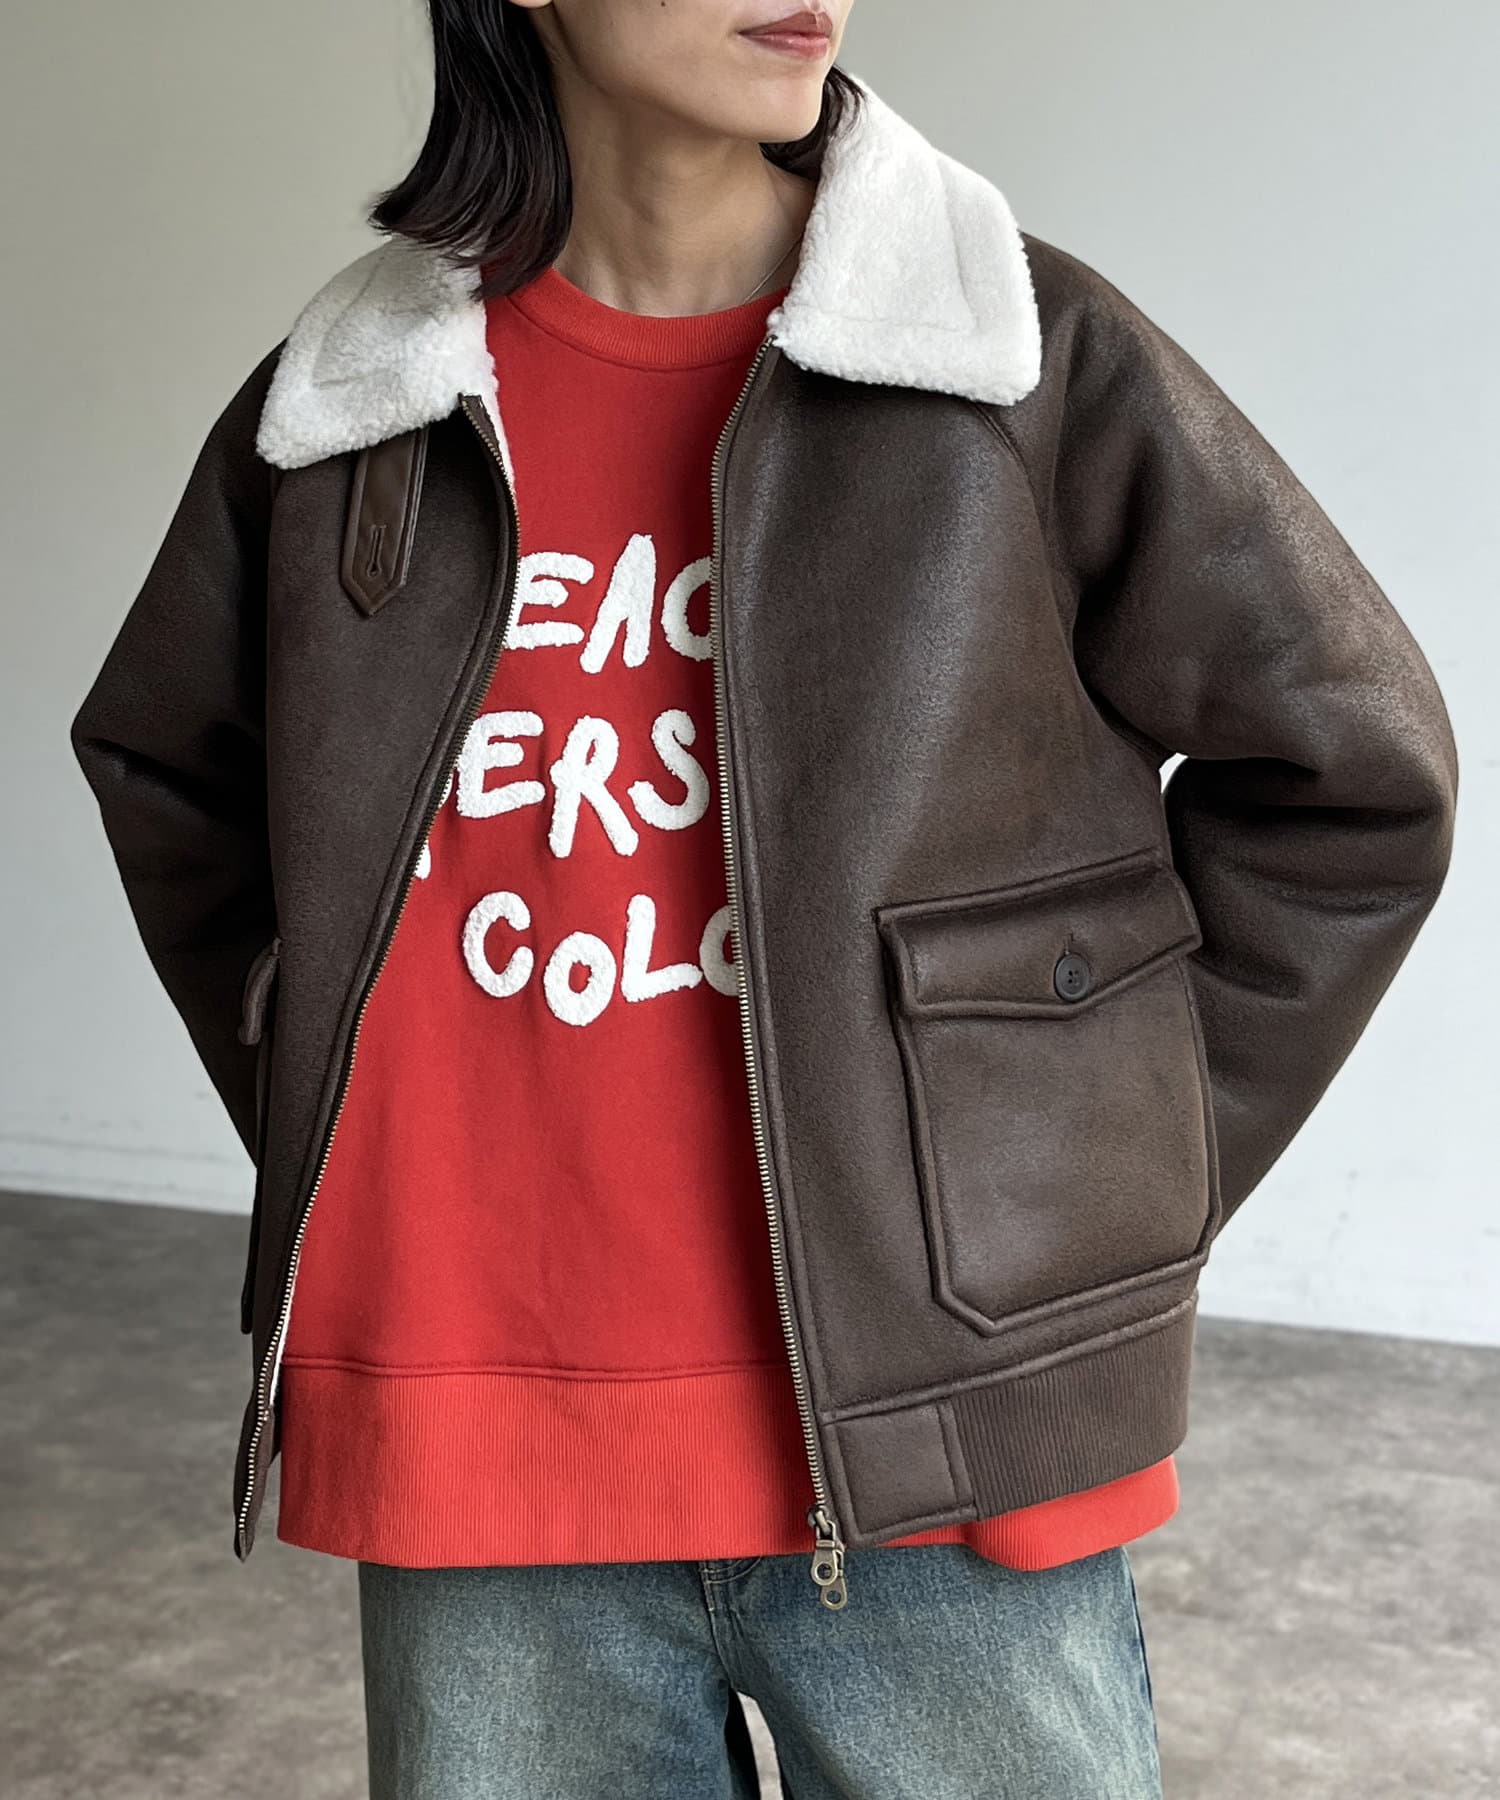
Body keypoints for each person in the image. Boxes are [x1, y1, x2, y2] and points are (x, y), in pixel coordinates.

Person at [68, 1, 1458, 1795]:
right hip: (479, 1447)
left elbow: (1354, 776)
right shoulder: (356, 403)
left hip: (939, 1462)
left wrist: (1069, 1196)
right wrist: (338, 1094)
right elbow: (174, 773)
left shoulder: (1006, 357)